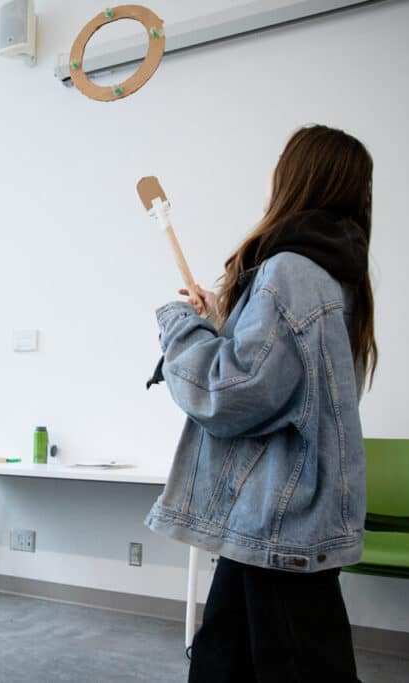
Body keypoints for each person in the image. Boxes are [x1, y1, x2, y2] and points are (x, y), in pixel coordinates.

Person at [145, 124, 376, 682]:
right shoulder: (335, 272)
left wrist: (180, 326)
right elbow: (277, 377)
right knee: (226, 661)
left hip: (277, 520)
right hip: (281, 519)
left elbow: (228, 393)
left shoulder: (291, 271)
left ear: (299, 177)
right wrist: (223, 321)